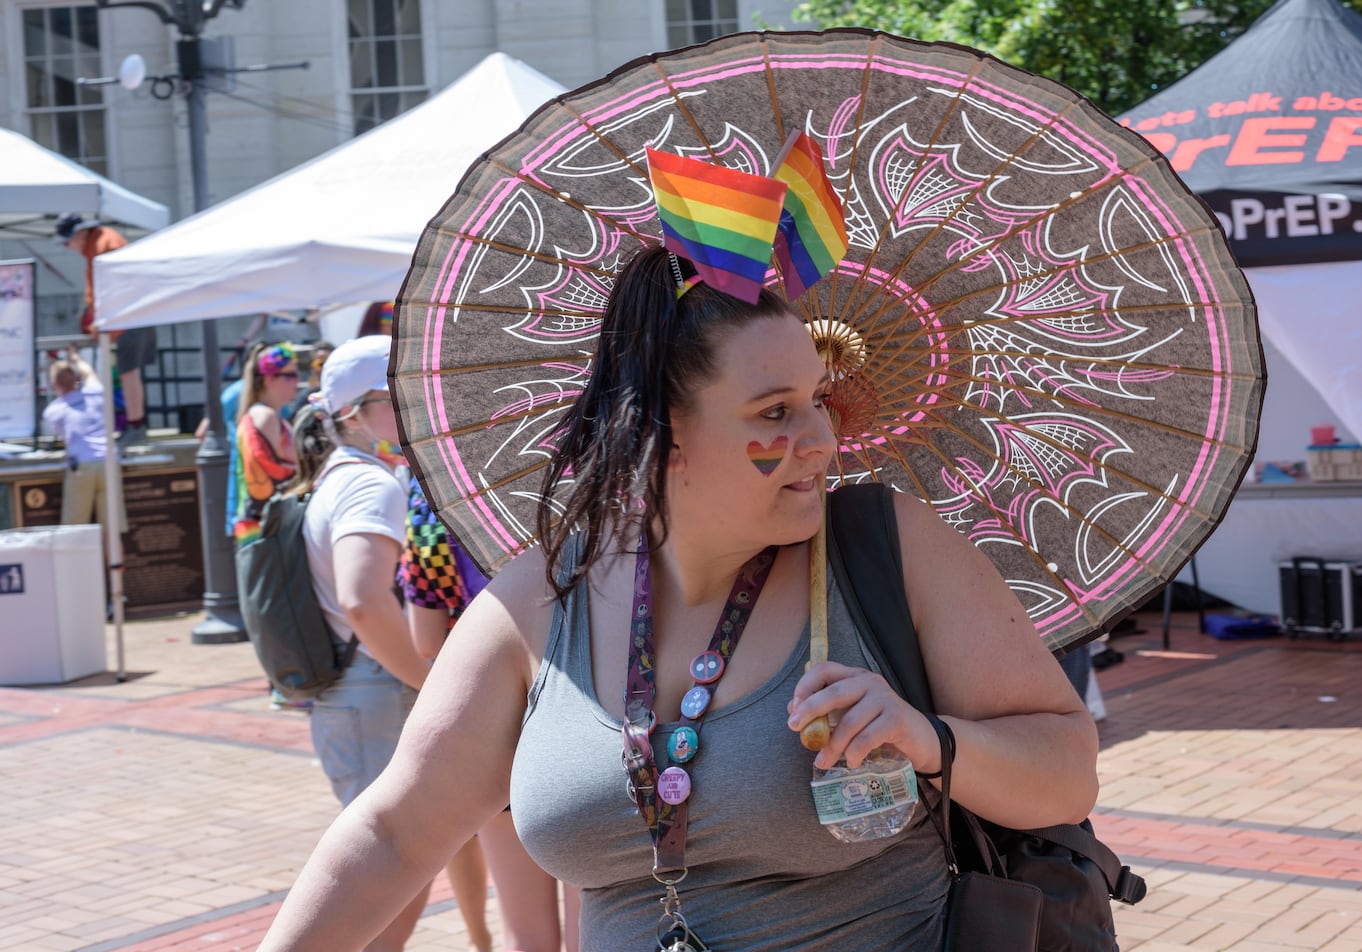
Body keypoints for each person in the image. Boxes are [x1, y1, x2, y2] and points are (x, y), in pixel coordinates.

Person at [260, 245, 1098, 950]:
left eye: (818, 401)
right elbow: (396, 833)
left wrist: (928, 740)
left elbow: (1065, 772)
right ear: (662, 431)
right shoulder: (544, 595)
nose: (821, 438)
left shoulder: (890, 548)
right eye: (776, 410)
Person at [284, 334, 433, 951]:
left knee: (393, 870)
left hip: (355, 693)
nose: (411, 406)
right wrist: (432, 684)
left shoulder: (344, 476)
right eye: (397, 394)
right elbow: (363, 599)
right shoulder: (373, 485)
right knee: (388, 872)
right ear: (359, 410)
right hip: (374, 691)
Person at [400, 476, 579, 952]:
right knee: (593, 923)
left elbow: (424, 639)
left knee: (525, 932)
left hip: (497, 735)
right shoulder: (585, 487)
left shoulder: (436, 506)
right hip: (583, 726)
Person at [56, 213, 157, 447]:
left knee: (128, 371)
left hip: (129, 315)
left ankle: (136, 425)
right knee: (129, 372)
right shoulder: (102, 241)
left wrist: (101, 320)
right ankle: (136, 423)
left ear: (79, 234)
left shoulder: (103, 245)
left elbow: (113, 287)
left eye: (66, 241)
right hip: (133, 313)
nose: (66, 247)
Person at [230, 342, 300, 547]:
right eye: (290, 375)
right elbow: (271, 470)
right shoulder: (265, 417)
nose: (298, 381)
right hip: (268, 528)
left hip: (261, 524)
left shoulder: (261, 414)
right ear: (269, 379)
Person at [42, 345, 115, 533]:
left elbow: (62, 435)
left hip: (82, 465)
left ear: (53, 385)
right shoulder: (96, 393)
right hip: (109, 462)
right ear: (77, 379)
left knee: (76, 531)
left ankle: (79, 563)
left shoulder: (53, 411)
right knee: (111, 532)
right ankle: (115, 562)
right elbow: (89, 372)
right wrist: (75, 356)